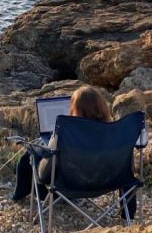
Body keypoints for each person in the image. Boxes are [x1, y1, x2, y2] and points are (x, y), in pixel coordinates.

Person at [12, 86, 135, 219]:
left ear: (75, 108)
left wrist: (37, 148)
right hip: (106, 181)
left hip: (69, 183)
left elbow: (48, 166)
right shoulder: (115, 133)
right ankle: (127, 217)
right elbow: (127, 164)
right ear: (102, 106)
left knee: (32, 155)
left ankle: (22, 195)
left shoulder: (66, 132)